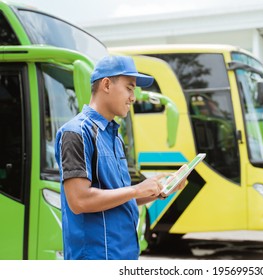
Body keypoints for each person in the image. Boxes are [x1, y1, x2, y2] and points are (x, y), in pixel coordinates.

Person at [54, 55, 187, 260]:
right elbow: (79, 200)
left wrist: (160, 190)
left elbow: (120, 196)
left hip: (123, 254)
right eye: (129, 88)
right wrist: (136, 189)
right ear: (106, 84)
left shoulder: (114, 137)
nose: (133, 97)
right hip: (96, 258)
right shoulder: (76, 133)